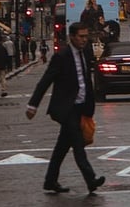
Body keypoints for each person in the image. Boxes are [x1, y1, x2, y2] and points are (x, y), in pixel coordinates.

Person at [26, 22, 105, 194]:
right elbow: (46, 80)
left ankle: (50, 180)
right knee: (77, 144)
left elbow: (85, 80)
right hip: (66, 108)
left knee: (62, 146)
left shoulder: (86, 53)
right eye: (81, 36)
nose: (85, 40)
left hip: (80, 107)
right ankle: (91, 180)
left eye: (86, 36)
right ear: (72, 37)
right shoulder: (61, 56)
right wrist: (33, 104)